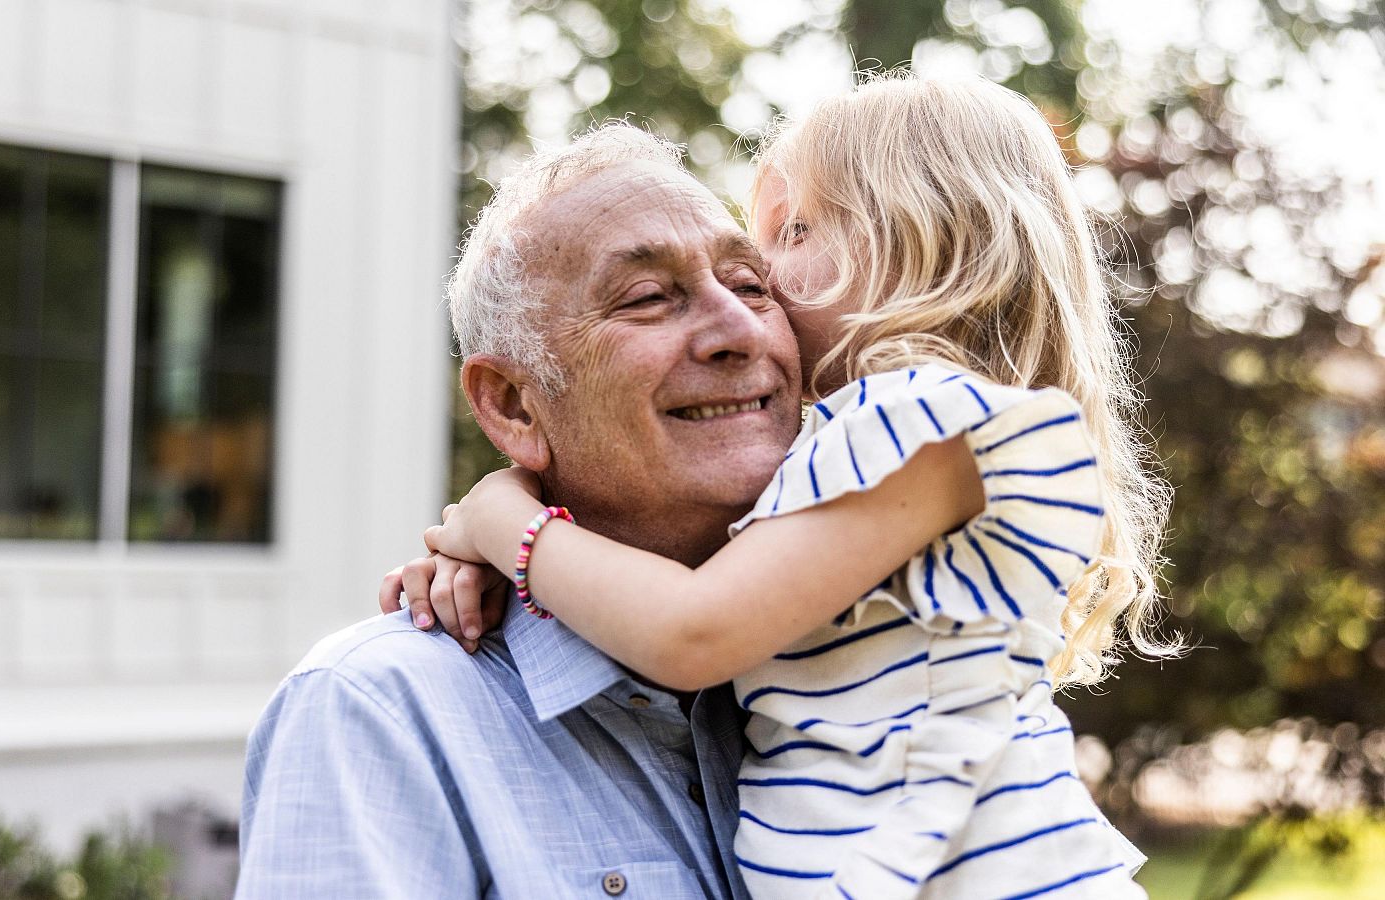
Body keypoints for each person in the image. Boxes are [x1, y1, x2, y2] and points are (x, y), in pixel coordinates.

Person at [408, 73, 1171, 899]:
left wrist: (504, 524)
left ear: (926, 246)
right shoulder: (864, 440)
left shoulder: (918, 423)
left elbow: (693, 629)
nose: (762, 275)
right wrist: (499, 548)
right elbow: (674, 550)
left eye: (796, 230)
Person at [235, 124, 803, 898]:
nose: (739, 330)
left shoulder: (877, 649)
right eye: (646, 298)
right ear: (511, 407)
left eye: (749, 284)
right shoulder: (380, 716)